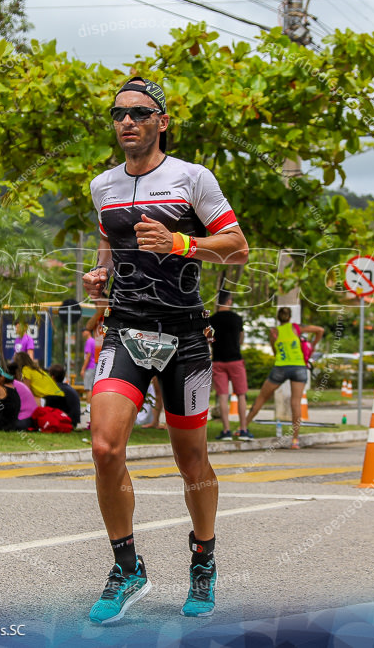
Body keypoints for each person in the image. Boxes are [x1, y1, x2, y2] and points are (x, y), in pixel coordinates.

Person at [81, 76, 248, 624]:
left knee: (191, 460)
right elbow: (109, 248)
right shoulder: (101, 186)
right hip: (126, 329)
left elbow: (237, 247)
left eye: (138, 112)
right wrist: (99, 275)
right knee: (105, 448)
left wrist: (183, 243)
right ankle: (128, 569)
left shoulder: (192, 179)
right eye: (117, 114)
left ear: (162, 122)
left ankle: (203, 559)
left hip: (184, 337)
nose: (126, 121)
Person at [242, 307, 324, 450]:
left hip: (280, 367)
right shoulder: (296, 328)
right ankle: (295, 440)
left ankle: (243, 427)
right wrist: (313, 346)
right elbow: (320, 330)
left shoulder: (274, 331)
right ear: (290, 317)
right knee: (296, 404)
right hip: (299, 367)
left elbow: (274, 351)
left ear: (278, 317)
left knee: (262, 397)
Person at [209, 290, 250, 441]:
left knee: (222, 396)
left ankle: (226, 430)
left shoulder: (211, 320)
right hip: (235, 360)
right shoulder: (237, 319)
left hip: (219, 361)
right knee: (241, 394)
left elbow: (208, 339)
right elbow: (241, 339)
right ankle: (243, 429)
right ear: (229, 301)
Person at [46, 364, 81, 428]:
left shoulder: (54, 390)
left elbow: (48, 409)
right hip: (74, 422)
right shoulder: (69, 388)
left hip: (65, 422)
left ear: (52, 377)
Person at [81, 324, 99, 409]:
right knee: (90, 387)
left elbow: (88, 356)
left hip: (90, 367)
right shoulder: (93, 340)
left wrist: (83, 369)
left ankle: (88, 408)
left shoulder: (89, 341)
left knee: (88, 388)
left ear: (88, 332)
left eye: (83, 331)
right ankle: (89, 407)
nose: (82, 333)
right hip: (93, 366)